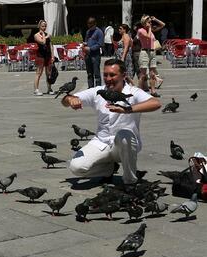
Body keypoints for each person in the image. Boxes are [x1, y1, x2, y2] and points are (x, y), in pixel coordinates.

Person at [60, 59, 161, 187]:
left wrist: (128, 109)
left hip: (124, 145)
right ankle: (109, 169)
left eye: (112, 75)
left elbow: (156, 103)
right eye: (105, 75)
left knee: (125, 135)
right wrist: (70, 99)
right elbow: (64, 101)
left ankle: (130, 181)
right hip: (101, 143)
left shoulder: (133, 92)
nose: (108, 79)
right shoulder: (98, 91)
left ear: (123, 75)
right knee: (76, 167)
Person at [137, 15, 165, 97]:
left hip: (152, 52)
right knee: (143, 74)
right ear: (144, 22)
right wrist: (149, 28)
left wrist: (155, 19)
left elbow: (163, 25)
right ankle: (139, 92)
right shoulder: (140, 30)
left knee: (152, 73)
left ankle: (153, 91)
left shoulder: (151, 30)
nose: (150, 23)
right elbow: (148, 37)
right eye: (148, 22)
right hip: (144, 53)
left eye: (150, 22)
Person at [33, 20, 54, 96]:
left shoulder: (47, 35)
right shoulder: (36, 35)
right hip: (40, 56)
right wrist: (45, 36)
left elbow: (51, 46)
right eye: (42, 26)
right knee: (39, 73)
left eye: (45, 26)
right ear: (39, 26)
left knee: (48, 73)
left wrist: (52, 56)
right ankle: (36, 89)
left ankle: (49, 88)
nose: (44, 27)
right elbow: (43, 42)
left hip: (47, 55)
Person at [82, 17, 104, 88]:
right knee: (89, 73)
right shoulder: (88, 32)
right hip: (88, 55)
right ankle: (90, 88)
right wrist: (84, 44)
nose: (89, 26)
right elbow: (86, 41)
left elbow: (100, 44)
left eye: (91, 25)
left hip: (95, 55)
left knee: (96, 73)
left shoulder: (99, 32)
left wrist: (90, 48)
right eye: (88, 24)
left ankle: (98, 89)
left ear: (95, 24)